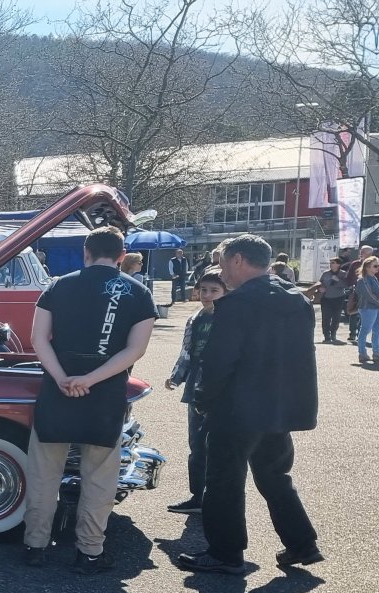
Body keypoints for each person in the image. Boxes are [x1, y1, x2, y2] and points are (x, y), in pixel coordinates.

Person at [178, 233, 319, 575]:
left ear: (238, 260)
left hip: (237, 406)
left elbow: (219, 360)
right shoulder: (296, 299)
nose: (221, 270)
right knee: (274, 475)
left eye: (223, 262)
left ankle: (226, 553)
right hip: (279, 405)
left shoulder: (237, 304)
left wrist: (202, 398)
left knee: (224, 479)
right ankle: (302, 543)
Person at [23, 226, 157, 573]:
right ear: (122, 256)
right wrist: (91, 379)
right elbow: (135, 350)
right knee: (99, 479)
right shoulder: (139, 293)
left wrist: (62, 377)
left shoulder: (57, 286)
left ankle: (35, 545)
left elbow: (38, 339)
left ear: (86, 252)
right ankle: (90, 552)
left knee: (43, 474)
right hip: (105, 395)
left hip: (57, 391)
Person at [164, 272, 225, 515]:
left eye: (214, 291)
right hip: (195, 386)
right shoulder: (195, 318)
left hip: (219, 389)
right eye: (203, 290)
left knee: (217, 446)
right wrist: (176, 376)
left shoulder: (229, 318)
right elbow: (187, 352)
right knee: (196, 444)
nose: (207, 295)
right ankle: (197, 496)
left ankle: (217, 497)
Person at [316, 257, 349, 343]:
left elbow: (346, 285)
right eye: (330, 263)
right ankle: (326, 336)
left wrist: (338, 280)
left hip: (338, 298)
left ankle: (333, 334)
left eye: (333, 262)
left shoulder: (343, 274)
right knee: (326, 318)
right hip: (326, 298)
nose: (331, 264)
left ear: (338, 264)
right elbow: (320, 283)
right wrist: (320, 288)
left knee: (336, 318)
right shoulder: (325, 273)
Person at [344, 246, 373, 341]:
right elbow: (349, 277)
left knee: (364, 314)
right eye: (361, 251)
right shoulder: (355, 264)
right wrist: (350, 285)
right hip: (356, 292)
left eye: (363, 252)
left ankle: (361, 335)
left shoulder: (375, 264)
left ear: (369, 254)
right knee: (353, 312)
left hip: (369, 294)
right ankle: (352, 333)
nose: (361, 253)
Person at [355, 256, 379, 365]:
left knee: (377, 331)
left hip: (376, 307)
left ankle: (376, 353)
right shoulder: (363, 280)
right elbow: (369, 295)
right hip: (367, 308)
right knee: (365, 330)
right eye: (375, 266)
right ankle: (362, 353)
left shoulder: (373, 278)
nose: (377, 268)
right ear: (367, 267)